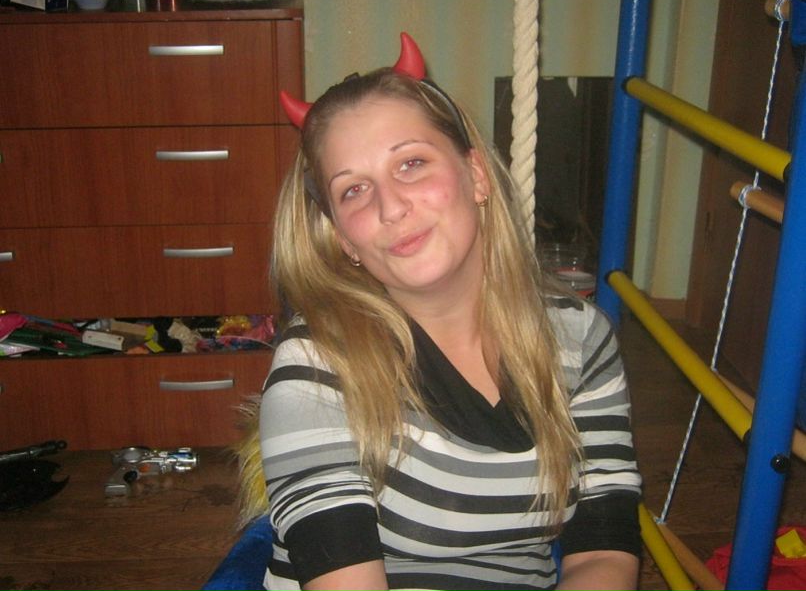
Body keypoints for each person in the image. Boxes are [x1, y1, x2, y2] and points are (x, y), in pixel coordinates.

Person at [236, 33, 643, 591]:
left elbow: (604, 548)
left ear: (475, 175)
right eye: (354, 190)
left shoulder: (581, 338)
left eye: (411, 164)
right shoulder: (318, 364)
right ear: (343, 238)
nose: (391, 206)